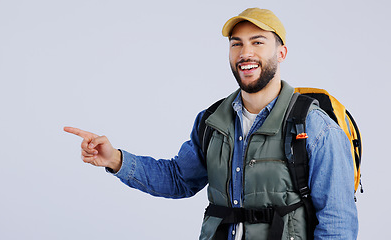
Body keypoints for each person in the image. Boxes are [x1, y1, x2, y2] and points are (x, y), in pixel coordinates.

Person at [64, 8, 358, 240]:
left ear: (281, 53)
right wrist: (116, 159)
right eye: (237, 44)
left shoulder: (316, 128)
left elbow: (338, 224)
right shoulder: (212, 121)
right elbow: (179, 178)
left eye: (258, 42)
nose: (246, 53)